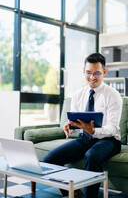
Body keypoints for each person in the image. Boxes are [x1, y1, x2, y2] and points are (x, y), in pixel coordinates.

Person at [43, 53, 122, 198]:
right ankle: (72, 192)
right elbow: (78, 122)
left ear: (104, 72)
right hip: (86, 138)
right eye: (88, 73)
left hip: (109, 140)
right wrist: (70, 126)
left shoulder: (113, 95)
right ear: (83, 71)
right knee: (50, 158)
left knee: (91, 155)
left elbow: (113, 128)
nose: (92, 77)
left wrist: (94, 131)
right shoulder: (78, 94)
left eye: (97, 73)